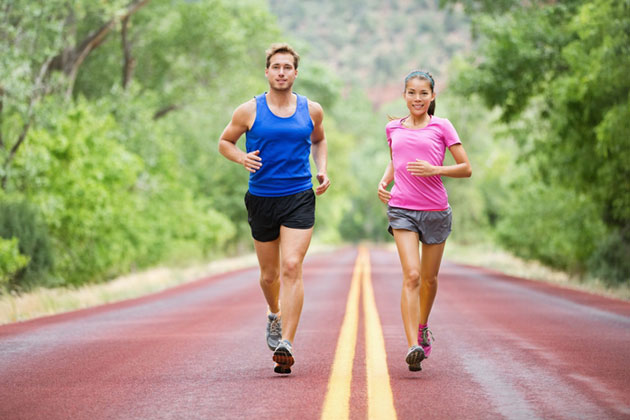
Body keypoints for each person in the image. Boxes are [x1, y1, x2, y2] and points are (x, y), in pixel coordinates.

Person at [218, 43, 330, 375]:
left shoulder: (311, 110)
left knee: (292, 265)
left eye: (287, 67)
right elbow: (225, 142)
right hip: (262, 198)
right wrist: (241, 157)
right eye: (275, 67)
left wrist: (321, 167)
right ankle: (274, 314)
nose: (281, 72)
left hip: (298, 195)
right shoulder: (248, 111)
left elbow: (319, 140)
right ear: (267, 72)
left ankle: (287, 343)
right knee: (270, 276)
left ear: (296, 73)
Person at [377, 70, 471, 372]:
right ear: (404, 95)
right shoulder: (393, 128)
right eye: (411, 92)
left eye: (423, 93)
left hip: (435, 211)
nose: (417, 98)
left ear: (432, 96)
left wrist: (435, 170)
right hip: (402, 208)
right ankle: (412, 346)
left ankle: (422, 326)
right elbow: (396, 158)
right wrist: (385, 181)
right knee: (413, 276)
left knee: (429, 279)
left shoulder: (442, 127)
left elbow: (465, 167)